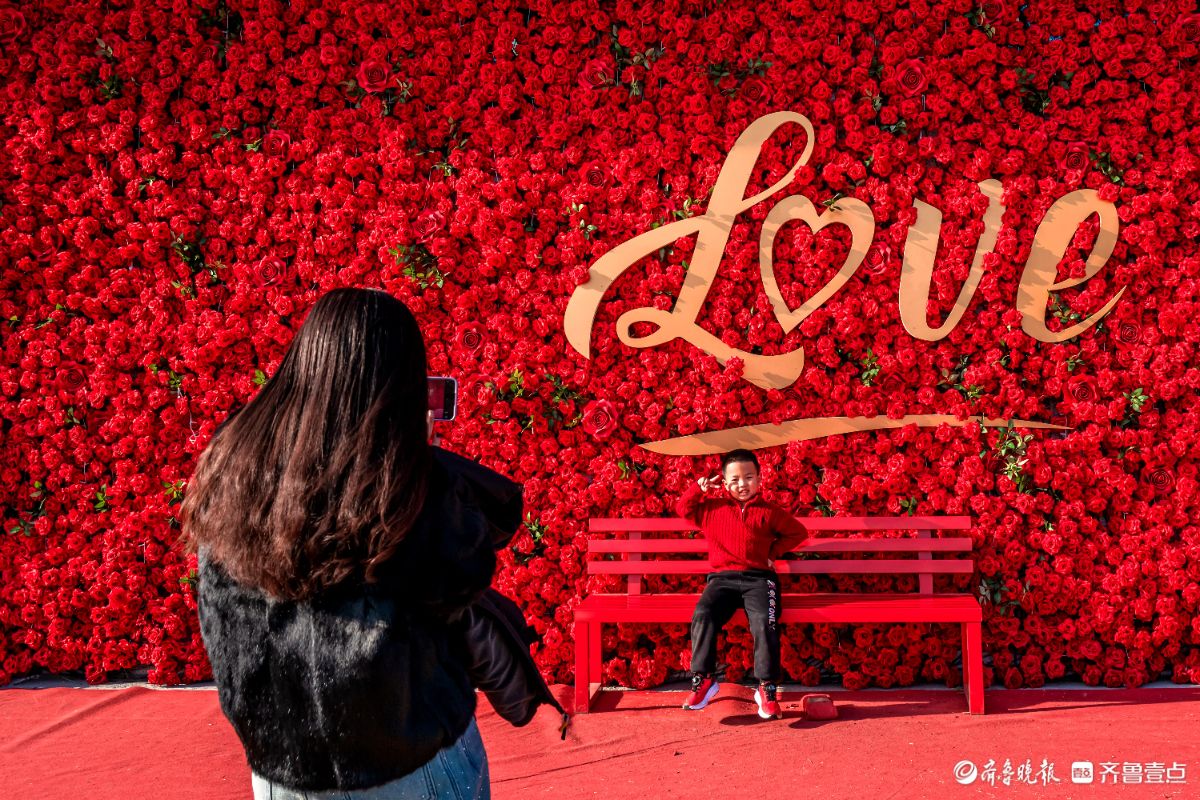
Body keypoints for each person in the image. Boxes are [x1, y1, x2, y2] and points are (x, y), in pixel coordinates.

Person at [180, 288, 558, 799]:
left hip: (283, 764)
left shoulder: (234, 463)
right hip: (406, 755)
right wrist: (422, 458)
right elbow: (468, 565)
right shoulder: (398, 481)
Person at [677, 449, 807, 719]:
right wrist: (698, 489)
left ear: (759, 478)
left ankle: (766, 687)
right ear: (724, 483)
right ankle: (704, 679)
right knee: (703, 614)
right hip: (721, 580)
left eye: (748, 477)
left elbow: (798, 532)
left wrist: (772, 553)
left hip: (759, 579)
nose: (742, 484)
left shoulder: (769, 512)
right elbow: (683, 510)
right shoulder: (711, 509)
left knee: (764, 622)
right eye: (734, 480)